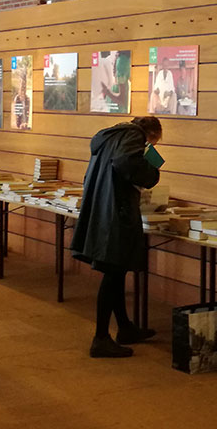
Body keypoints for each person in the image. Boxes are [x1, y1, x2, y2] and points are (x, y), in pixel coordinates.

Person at [71, 116, 163, 358]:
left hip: (105, 208)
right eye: (152, 142)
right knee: (113, 274)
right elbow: (125, 163)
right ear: (150, 133)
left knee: (116, 271)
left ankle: (125, 327)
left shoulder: (110, 136)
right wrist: (152, 172)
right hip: (116, 213)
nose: (150, 146)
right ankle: (100, 338)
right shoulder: (134, 136)